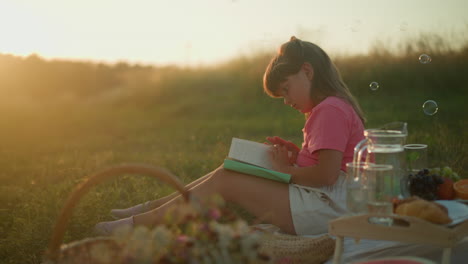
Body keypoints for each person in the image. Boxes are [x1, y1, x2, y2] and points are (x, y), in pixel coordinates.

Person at [94, 36, 366, 236]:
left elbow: (327, 175)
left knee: (228, 179)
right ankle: (148, 210)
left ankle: (137, 224)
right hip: (329, 202)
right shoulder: (332, 106)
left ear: (307, 71)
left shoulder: (328, 109)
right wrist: (298, 157)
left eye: (286, 89)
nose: (286, 100)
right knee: (229, 169)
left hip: (328, 210)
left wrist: (286, 170)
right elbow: (329, 163)